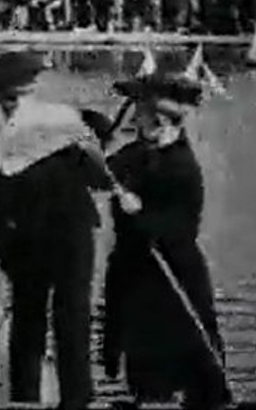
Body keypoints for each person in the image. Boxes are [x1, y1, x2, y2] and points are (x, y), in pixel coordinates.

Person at [0, 50, 128, 409]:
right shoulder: (0, 151)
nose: (13, 109)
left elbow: (102, 172)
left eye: (19, 98)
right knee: (26, 326)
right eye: (7, 101)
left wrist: (97, 141)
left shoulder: (69, 130)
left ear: (33, 93)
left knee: (72, 322)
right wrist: (9, 257)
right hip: (28, 249)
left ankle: (77, 401)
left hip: (73, 241)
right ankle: (24, 401)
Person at [102, 73, 232, 409]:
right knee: (144, 372)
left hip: (174, 279)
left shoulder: (183, 167)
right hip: (136, 280)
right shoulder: (136, 154)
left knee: (197, 371)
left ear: (162, 122)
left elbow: (177, 227)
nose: (135, 120)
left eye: (142, 115)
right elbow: (104, 168)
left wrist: (139, 213)